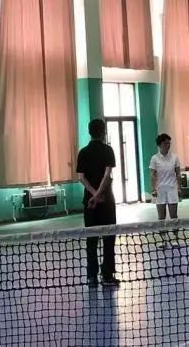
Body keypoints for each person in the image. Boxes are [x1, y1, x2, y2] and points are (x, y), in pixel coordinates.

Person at [76, 118, 119, 287]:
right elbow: (107, 175)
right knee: (109, 237)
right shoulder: (108, 150)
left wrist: (93, 195)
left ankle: (91, 276)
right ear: (103, 132)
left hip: (89, 202)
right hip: (106, 201)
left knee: (91, 238)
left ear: (89, 132)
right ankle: (107, 275)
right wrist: (99, 195)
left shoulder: (83, 152)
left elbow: (81, 178)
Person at [148, 133, 181, 221]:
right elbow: (152, 175)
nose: (168, 145)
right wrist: (153, 189)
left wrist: (179, 188)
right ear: (159, 145)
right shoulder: (154, 158)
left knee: (174, 216)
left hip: (172, 189)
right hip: (160, 190)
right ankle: (163, 230)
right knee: (161, 217)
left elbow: (178, 174)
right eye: (165, 143)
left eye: (169, 143)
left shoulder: (175, 157)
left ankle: (175, 230)